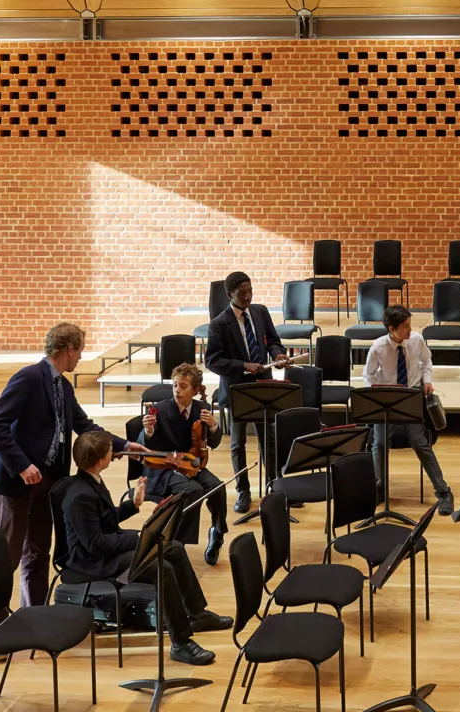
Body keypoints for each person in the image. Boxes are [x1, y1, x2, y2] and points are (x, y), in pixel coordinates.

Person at [0, 322, 126, 610]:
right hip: (16, 481)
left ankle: (34, 614)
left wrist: (125, 445)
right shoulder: (28, 378)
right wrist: (22, 465)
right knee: (8, 556)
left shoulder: (63, 385)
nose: (81, 357)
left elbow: (84, 425)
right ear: (69, 349)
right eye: (80, 351)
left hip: (47, 482)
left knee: (38, 553)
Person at [63, 429, 231, 666]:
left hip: (106, 550)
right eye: (111, 452)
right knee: (163, 568)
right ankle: (180, 643)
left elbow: (106, 520)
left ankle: (197, 614)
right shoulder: (79, 496)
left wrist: (133, 505)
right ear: (101, 461)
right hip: (93, 561)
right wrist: (138, 538)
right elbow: (95, 545)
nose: (115, 454)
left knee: (174, 548)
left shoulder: (92, 481)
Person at [204, 272, 290, 515]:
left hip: (263, 384)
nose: (248, 296)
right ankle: (243, 491)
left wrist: (277, 354)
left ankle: (274, 486)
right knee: (237, 443)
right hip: (237, 388)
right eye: (242, 293)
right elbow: (212, 360)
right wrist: (243, 365)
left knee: (268, 439)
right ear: (229, 295)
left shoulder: (260, 312)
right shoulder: (219, 323)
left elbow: (272, 341)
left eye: (250, 291)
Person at [364, 305, 455, 518]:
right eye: (405, 327)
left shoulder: (416, 340)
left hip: (412, 395)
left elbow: (426, 360)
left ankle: (443, 492)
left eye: (409, 325)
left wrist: (427, 380)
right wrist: (374, 393)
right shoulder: (377, 347)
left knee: (419, 442)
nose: (409, 330)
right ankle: (379, 487)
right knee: (379, 443)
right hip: (386, 398)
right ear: (391, 329)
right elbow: (368, 375)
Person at [141, 362, 229, 566]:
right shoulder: (160, 409)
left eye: (183, 386)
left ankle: (217, 533)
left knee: (217, 487)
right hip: (164, 469)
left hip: (192, 465)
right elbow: (147, 447)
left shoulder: (202, 409)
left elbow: (213, 443)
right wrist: (148, 431)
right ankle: (177, 545)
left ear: (195, 390)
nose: (177, 390)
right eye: (175, 385)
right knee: (193, 491)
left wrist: (213, 426)